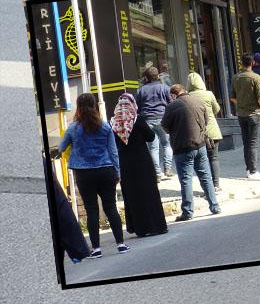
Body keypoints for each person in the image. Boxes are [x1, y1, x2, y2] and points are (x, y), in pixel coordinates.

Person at [57, 92, 129, 257]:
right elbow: (113, 152)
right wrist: (117, 172)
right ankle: (121, 244)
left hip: (84, 174)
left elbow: (61, 147)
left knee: (91, 210)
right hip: (106, 170)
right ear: (95, 105)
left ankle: (96, 249)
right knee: (111, 208)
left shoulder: (73, 128)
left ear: (78, 107)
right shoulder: (105, 127)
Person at [108, 92, 166, 239]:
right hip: (142, 162)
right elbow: (151, 137)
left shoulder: (114, 123)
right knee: (149, 192)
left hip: (125, 163)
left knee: (132, 194)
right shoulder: (137, 120)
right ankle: (155, 226)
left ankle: (140, 228)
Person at [162, 84, 221, 221]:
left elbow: (165, 126)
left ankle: (188, 212)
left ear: (173, 95)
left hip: (182, 147)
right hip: (200, 145)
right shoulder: (198, 101)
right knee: (206, 176)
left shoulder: (171, 107)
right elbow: (206, 121)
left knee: (186, 180)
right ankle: (214, 206)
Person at [232, 54, 260, 181]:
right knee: (253, 143)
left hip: (241, 114)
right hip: (253, 114)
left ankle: (248, 169)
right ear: (252, 63)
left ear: (242, 63)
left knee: (246, 143)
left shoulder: (236, 77)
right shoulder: (255, 77)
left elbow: (232, 97)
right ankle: (253, 171)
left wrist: (241, 104)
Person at [185, 73, 224, 192]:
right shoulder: (209, 94)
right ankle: (216, 185)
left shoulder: (187, 97)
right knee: (214, 158)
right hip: (212, 131)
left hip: (197, 133)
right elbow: (217, 109)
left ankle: (207, 187)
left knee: (202, 161)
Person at [136, 66, 173, 178]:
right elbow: (170, 103)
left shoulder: (141, 90)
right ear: (157, 76)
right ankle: (168, 169)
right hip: (162, 119)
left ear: (146, 78)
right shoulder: (165, 88)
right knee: (166, 144)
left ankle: (157, 173)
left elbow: (138, 106)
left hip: (147, 120)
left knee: (153, 147)